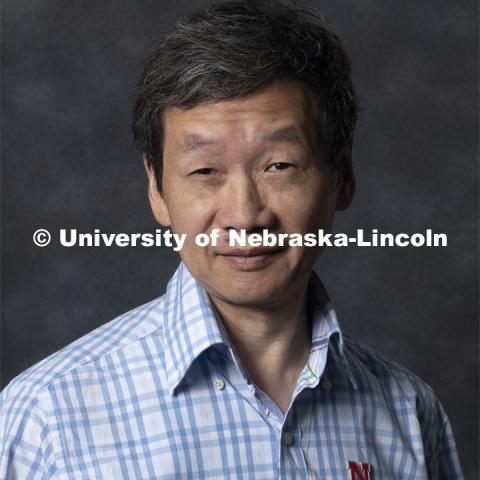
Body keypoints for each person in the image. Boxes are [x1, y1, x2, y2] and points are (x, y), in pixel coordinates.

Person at [0, 1, 464, 478]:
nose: (245, 214)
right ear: (157, 190)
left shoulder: (408, 412)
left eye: (278, 165)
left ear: (342, 175)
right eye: (205, 171)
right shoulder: (46, 420)